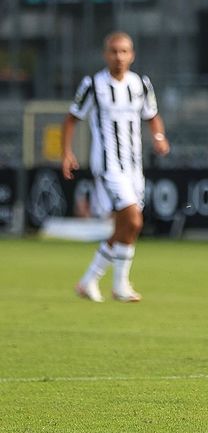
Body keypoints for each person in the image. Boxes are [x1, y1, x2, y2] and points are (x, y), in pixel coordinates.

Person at [62, 31, 170, 303]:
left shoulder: (141, 84)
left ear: (132, 55)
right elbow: (71, 119)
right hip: (108, 165)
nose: (119, 56)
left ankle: (90, 281)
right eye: (114, 51)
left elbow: (153, 116)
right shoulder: (93, 84)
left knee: (127, 227)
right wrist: (66, 152)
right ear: (105, 54)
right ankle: (119, 284)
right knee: (133, 219)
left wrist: (159, 138)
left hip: (135, 166)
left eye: (124, 51)